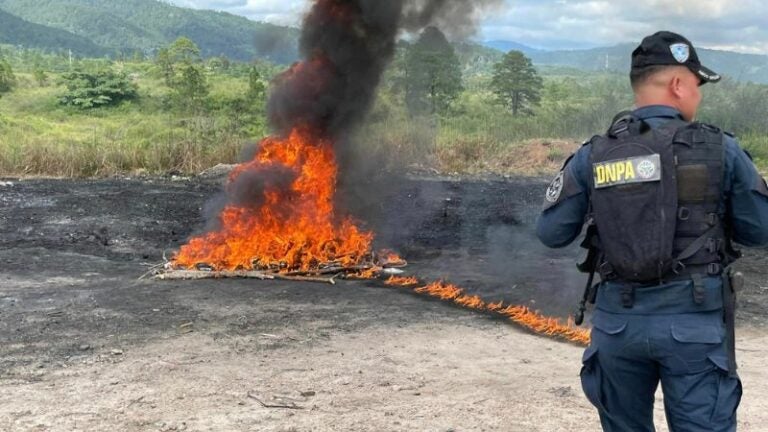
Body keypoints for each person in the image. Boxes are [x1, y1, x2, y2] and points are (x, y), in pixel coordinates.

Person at [535, 30, 768, 431]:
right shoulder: (720, 148)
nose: (698, 95)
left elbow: (552, 231)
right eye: (697, 84)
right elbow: (760, 230)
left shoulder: (595, 153)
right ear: (678, 84)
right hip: (693, 327)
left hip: (617, 326)